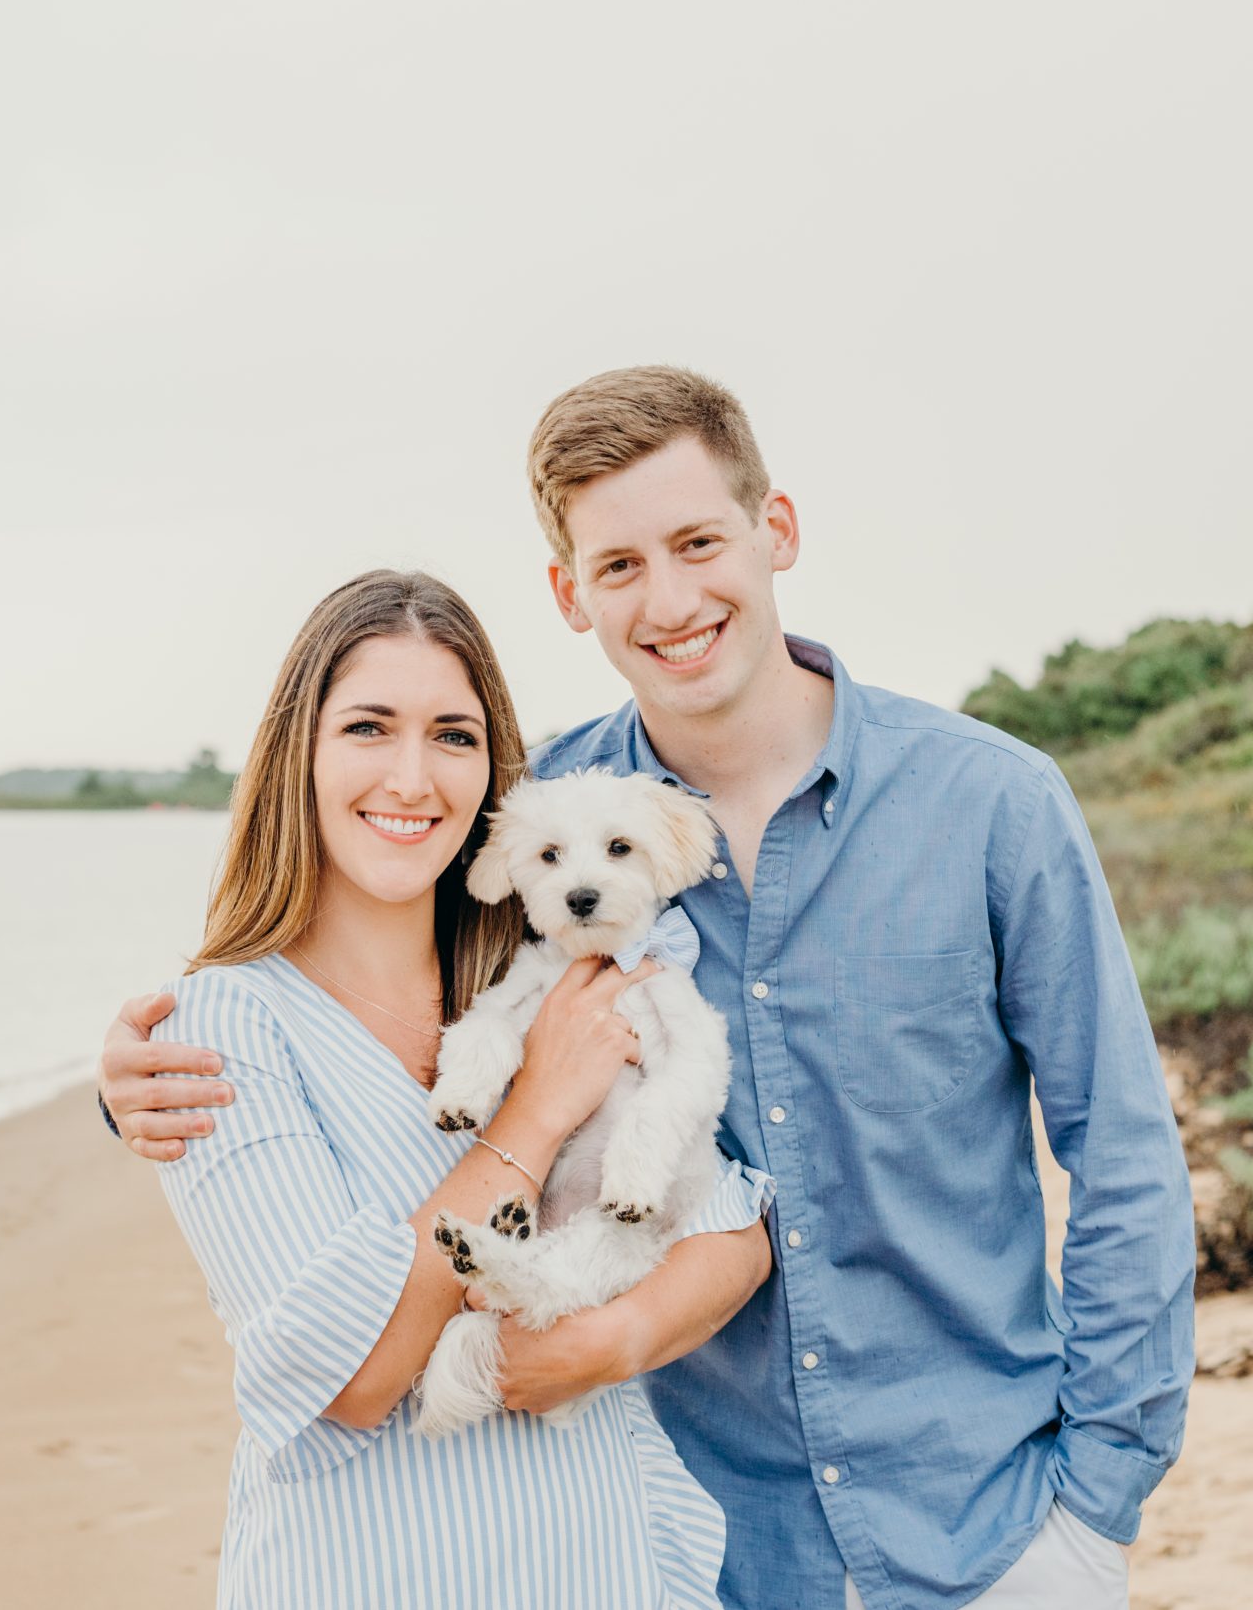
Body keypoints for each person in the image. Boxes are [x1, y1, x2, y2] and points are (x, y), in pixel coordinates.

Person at [104, 368, 1197, 1609]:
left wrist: (1100, 1495)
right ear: (570, 594)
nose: (670, 599)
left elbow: (1121, 1150)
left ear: (773, 530)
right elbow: (349, 978)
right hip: (698, 1555)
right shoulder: (547, 829)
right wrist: (132, 1082)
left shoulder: (992, 804)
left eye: (697, 542)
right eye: (618, 564)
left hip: (990, 1535)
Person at [131, 566, 774, 1610]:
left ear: (493, 776)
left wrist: (608, 1339)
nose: (413, 778)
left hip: (608, 1563)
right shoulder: (223, 1024)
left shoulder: (538, 971)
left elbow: (736, 1220)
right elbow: (354, 1372)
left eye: (454, 735)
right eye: (369, 727)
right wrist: (535, 1112)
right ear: (299, 749)